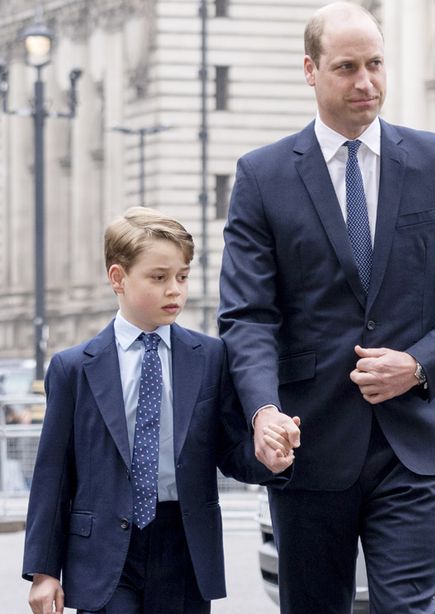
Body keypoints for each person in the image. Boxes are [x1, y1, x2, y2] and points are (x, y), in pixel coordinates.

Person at [217, 2, 435, 612]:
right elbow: (248, 315)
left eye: (375, 64)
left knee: (408, 606)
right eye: (347, 67)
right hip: (308, 439)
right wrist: (262, 410)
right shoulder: (263, 176)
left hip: (413, 440)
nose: (366, 82)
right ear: (310, 70)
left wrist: (421, 364)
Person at [22, 207, 285, 614]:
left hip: (184, 546)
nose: (175, 290)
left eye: (182, 276)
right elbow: (53, 476)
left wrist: (268, 456)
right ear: (118, 278)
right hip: (105, 554)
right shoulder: (74, 368)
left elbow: (230, 452)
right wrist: (43, 571)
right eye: (158, 278)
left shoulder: (210, 357)